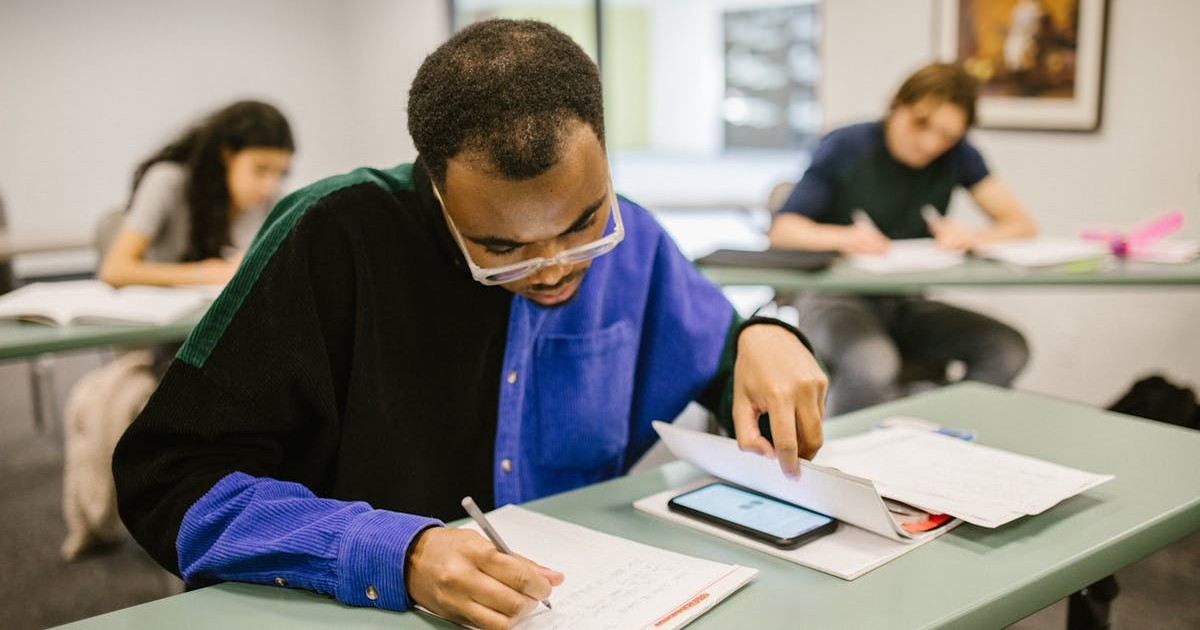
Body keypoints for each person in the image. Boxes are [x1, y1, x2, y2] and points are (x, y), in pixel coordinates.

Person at [114, 19, 827, 630]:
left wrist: (766, 335)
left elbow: (723, 358)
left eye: (581, 224)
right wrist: (401, 554)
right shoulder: (332, 238)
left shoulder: (631, 238)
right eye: (501, 248)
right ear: (435, 185)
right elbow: (168, 478)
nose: (551, 267)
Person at [767, 62, 1034, 416]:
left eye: (947, 136)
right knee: (874, 363)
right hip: (834, 298)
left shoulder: (958, 157)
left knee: (1007, 348)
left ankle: (943, 435)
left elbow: (1020, 225)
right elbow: (784, 230)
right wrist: (845, 237)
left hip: (905, 301)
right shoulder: (846, 145)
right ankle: (844, 461)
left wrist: (973, 237)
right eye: (920, 124)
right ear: (896, 105)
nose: (929, 143)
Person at [97, 100, 294, 288]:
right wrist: (203, 274)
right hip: (167, 318)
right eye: (260, 169)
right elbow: (114, 270)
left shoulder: (271, 199)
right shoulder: (167, 180)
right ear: (227, 155)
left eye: (280, 173)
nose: (269, 186)